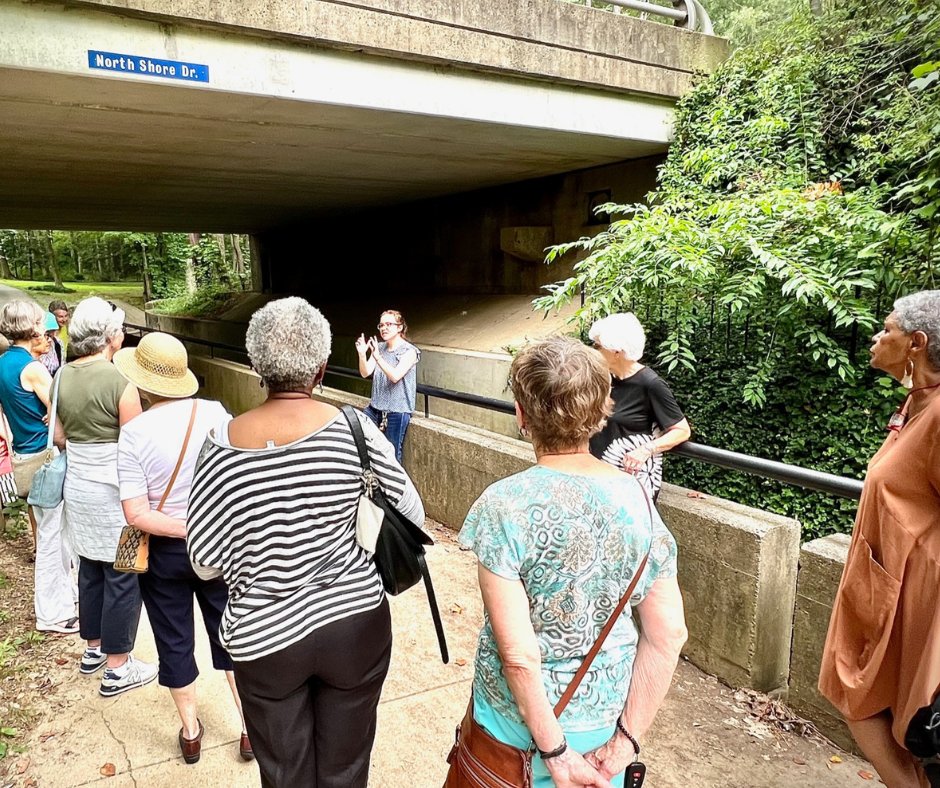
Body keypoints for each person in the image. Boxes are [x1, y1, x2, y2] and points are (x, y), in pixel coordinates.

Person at [188, 297, 424, 788]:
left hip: (264, 639)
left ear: (256, 366)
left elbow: (205, 561)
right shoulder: (355, 429)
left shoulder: (218, 446)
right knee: (346, 767)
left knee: (285, 774)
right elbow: (412, 513)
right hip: (355, 624)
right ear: (321, 367)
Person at [458, 336, 688, 788]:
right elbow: (668, 634)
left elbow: (521, 657)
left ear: (522, 414)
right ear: (602, 408)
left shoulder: (503, 505)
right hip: (603, 730)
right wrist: (626, 741)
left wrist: (556, 753)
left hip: (515, 731)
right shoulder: (639, 501)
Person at [819, 290, 940, 788]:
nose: (875, 336)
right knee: (855, 691)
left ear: (916, 342)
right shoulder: (917, 402)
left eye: (886, 329)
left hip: (922, 596)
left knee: (906, 717)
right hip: (885, 580)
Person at [113, 332, 251, 764]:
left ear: (142, 383)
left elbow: (135, 515)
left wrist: (181, 526)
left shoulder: (134, 434)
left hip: (164, 553)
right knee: (229, 634)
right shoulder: (215, 414)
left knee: (173, 639)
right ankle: (249, 728)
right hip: (218, 546)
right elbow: (237, 478)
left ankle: (191, 733)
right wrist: (206, 525)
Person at [55, 297, 154, 695]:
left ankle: (93, 648)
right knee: (124, 575)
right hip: (117, 495)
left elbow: (59, 436)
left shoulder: (61, 376)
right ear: (112, 337)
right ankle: (118, 667)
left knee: (91, 570)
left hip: (78, 490)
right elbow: (137, 448)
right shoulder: (120, 383)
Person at [0, 300, 76, 633]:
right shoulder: (34, 368)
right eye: (40, 325)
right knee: (53, 539)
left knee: (53, 535)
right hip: (47, 461)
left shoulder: (3, 364)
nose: (46, 332)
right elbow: (60, 419)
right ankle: (53, 613)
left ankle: (67, 598)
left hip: (24, 458)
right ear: (30, 329)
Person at [588, 313, 691, 499]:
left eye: (597, 346)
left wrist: (645, 450)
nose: (593, 350)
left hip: (630, 486)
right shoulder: (604, 378)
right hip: (599, 479)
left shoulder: (650, 384)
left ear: (616, 351)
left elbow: (682, 430)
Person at [355, 309, 419, 462]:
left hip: (397, 411)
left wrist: (377, 357)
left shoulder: (410, 352)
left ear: (400, 327)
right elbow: (365, 372)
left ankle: (393, 485)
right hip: (375, 408)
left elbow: (395, 376)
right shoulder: (380, 347)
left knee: (391, 455)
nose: (384, 328)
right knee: (359, 438)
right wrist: (363, 354)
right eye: (381, 325)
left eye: (389, 324)